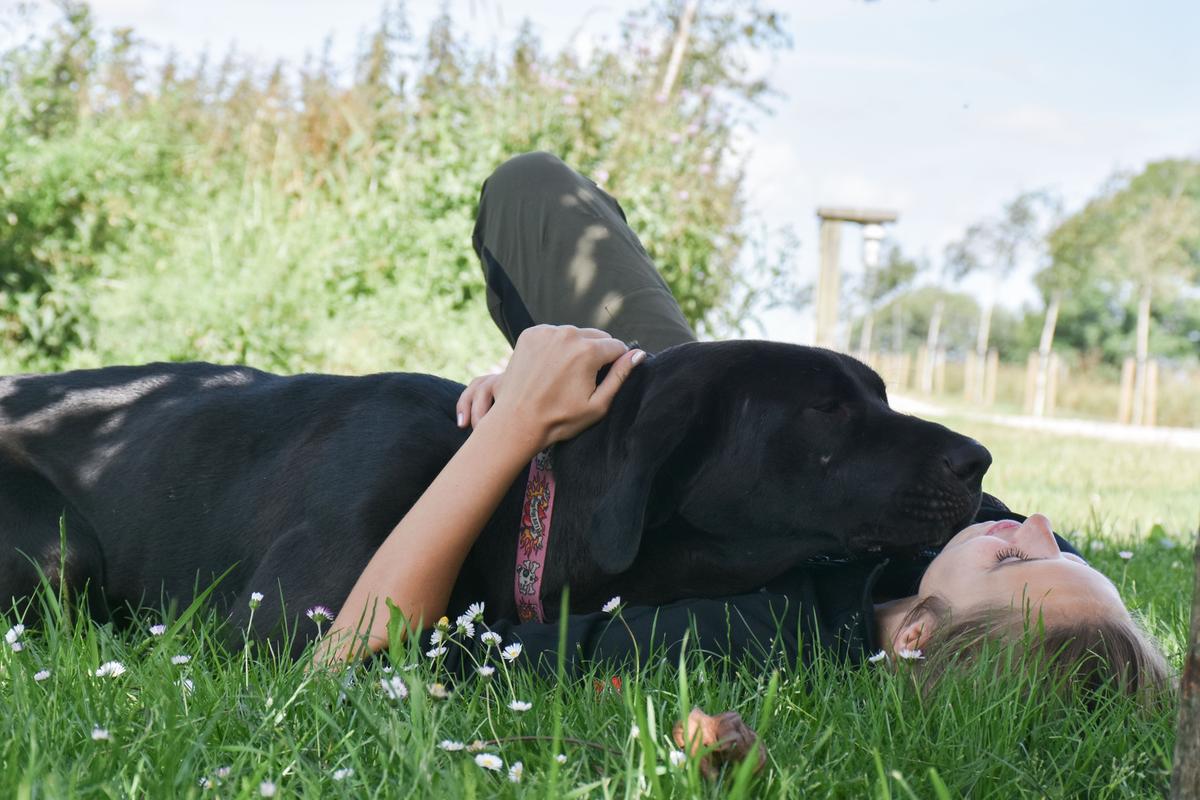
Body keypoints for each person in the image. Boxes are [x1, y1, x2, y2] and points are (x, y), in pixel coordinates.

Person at [321, 153, 1169, 701]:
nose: (1036, 525)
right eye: (1066, 550)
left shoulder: (747, 641)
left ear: (917, 636)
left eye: (1022, 554)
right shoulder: (972, 568)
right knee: (531, 190)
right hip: (724, 413)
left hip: (680, 472)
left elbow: (364, 662)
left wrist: (520, 425)